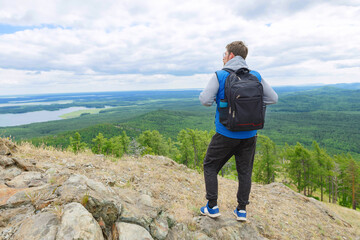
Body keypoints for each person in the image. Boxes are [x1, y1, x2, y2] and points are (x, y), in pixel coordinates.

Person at [199, 41, 278, 221]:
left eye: (224, 54)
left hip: (225, 134)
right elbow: (273, 98)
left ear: (232, 56)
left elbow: (205, 100)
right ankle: (241, 210)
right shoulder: (255, 76)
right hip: (250, 135)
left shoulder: (220, 75)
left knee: (210, 166)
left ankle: (212, 206)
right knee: (245, 172)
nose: (223, 57)